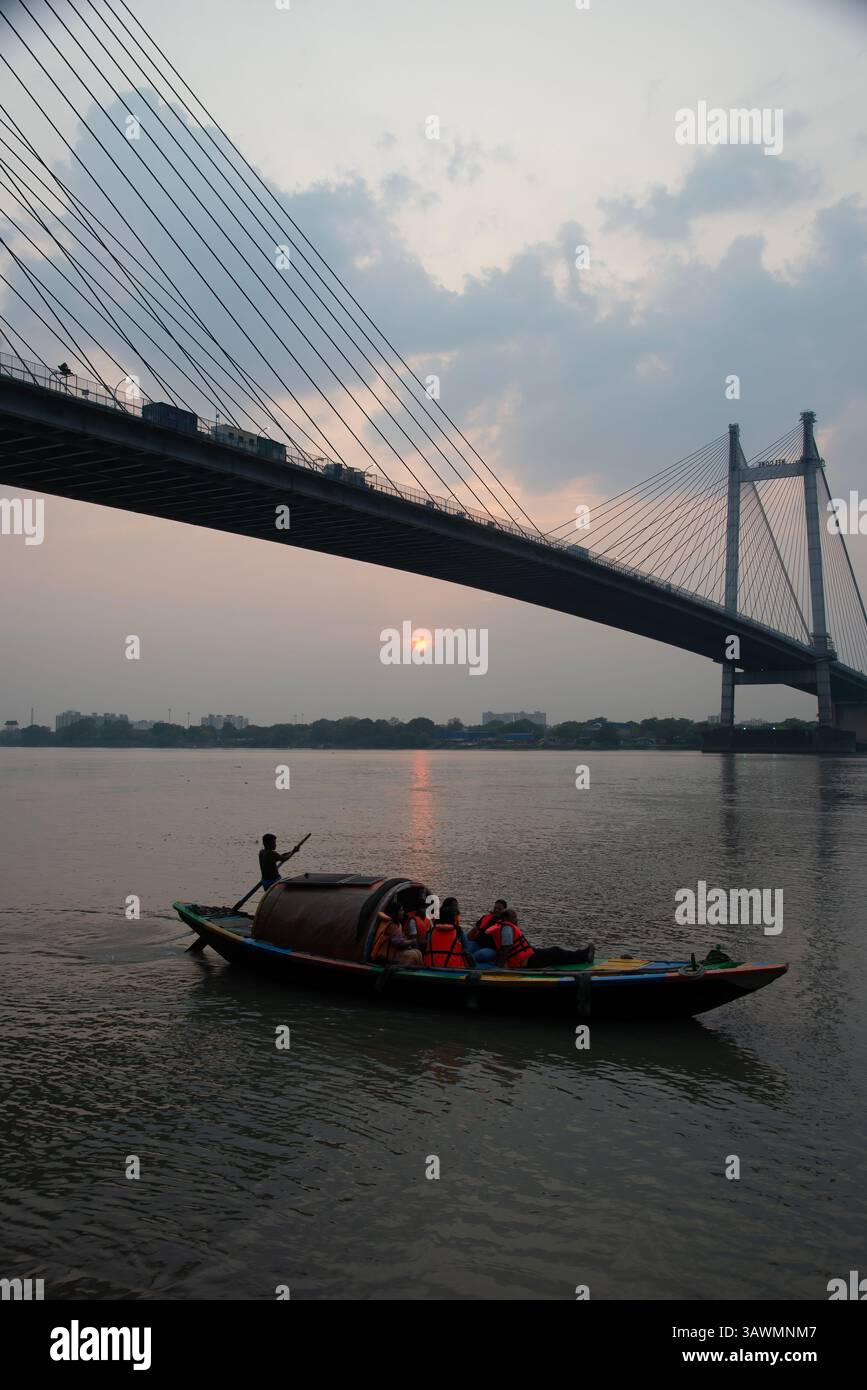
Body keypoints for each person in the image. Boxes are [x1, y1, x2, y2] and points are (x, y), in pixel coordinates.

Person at [483, 909, 594, 970]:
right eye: (514, 917)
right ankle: (584, 955)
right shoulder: (507, 928)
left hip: (528, 957)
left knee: (554, 954)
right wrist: (500, 969)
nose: (517, 919)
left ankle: (581, 955)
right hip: (527, 961)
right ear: (506, 918)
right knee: (556, 952)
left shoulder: (501, 926)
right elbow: (505, 949)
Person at [421, 897, 474, 969]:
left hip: (431, 965)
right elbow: (466, 950)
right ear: (453, 918)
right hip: (453, 967)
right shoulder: (459, 932)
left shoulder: (431, 931)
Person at [370, 901, 423, 967]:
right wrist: (412, 941)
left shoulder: (398, 925)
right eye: (401, 910)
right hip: (385, 957)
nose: (403, 912)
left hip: (394, 953)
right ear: (395, 912)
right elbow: (399, 943)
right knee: (413, 955)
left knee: (418, 953)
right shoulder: (391, 925)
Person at [466, 898, 507, 965]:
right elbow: (474, 930)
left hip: (492, 949)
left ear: (504, 910)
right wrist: (467, 941)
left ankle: (468, 961)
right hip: (478, 944)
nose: (496, 910)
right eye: (495, 908)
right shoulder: (485, 917)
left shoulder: (505, 924)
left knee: (480, 955)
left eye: (499, 909)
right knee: (466, 949)